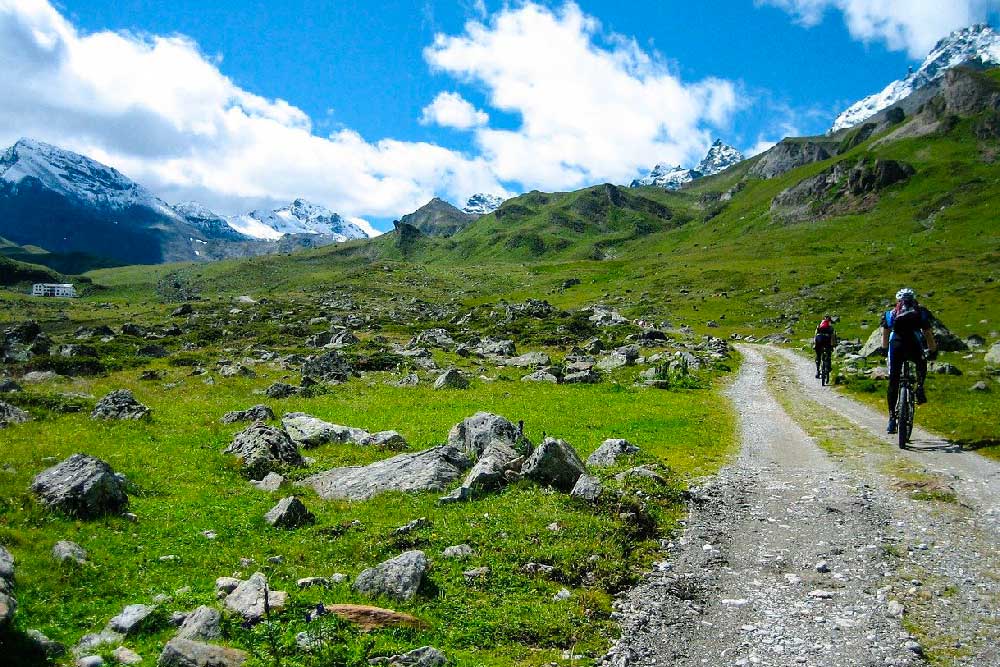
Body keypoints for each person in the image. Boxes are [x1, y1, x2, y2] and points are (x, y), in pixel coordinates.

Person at [881, 287, 937, 434]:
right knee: (921, 363)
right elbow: (927, 333)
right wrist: (932, 350)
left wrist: (884, 349)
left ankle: (892, 418)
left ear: (898, 300)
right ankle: (919, 387)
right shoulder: (920, 313)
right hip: (914, 345)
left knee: (893, 381)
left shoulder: (890, 314)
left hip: (896, 345)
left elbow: (886, 334)